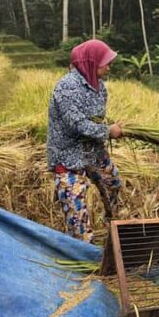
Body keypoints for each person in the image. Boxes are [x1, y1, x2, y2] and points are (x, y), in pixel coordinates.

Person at [47, 39, 124, 243]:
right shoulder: (66, 87)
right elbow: (78, 124)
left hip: (93, 152)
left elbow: (96, 118)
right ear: (90, 62)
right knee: (77, 209)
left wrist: (110, 126)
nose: (109, 66)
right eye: (105, 62)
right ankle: (85, 253)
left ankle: (113, 231)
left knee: (113, 183)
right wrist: (108, 131)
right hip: (68, 156)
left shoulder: (100, 87)